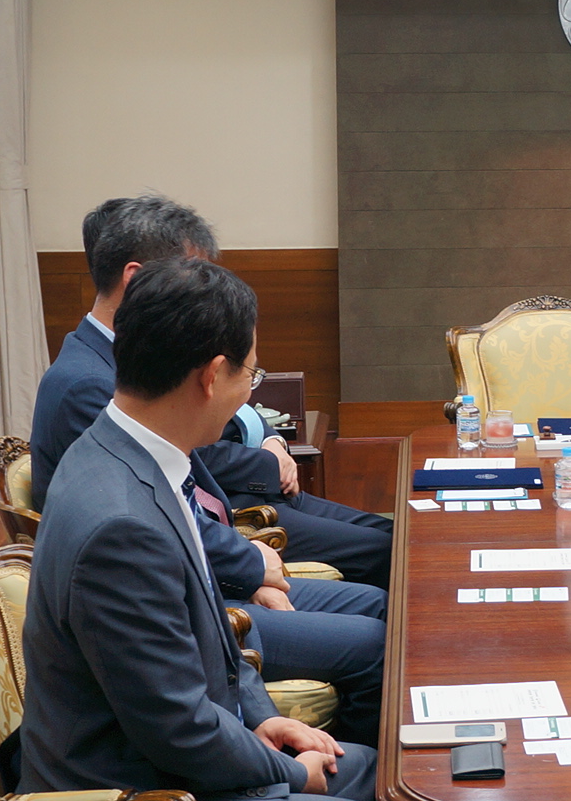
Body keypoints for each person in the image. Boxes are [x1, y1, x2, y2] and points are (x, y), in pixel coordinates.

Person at [17, 257, 526, 801]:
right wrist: (283, 766)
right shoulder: (120, 517)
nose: (251, 388)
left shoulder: (136, 455)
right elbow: (170, 728)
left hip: (180, 752)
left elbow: (217, 632)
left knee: (387, 777)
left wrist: (262, 715)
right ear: (210, 373)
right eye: (250, 371)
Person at [36, 195, 387, 739]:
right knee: (373, 637)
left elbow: (190, 479)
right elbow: (177, 722)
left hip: (220, 564)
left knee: (386, 564)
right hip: (203, 600)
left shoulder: (133, 381)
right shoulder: (93, 390)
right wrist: (247, 568)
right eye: (191, 270)